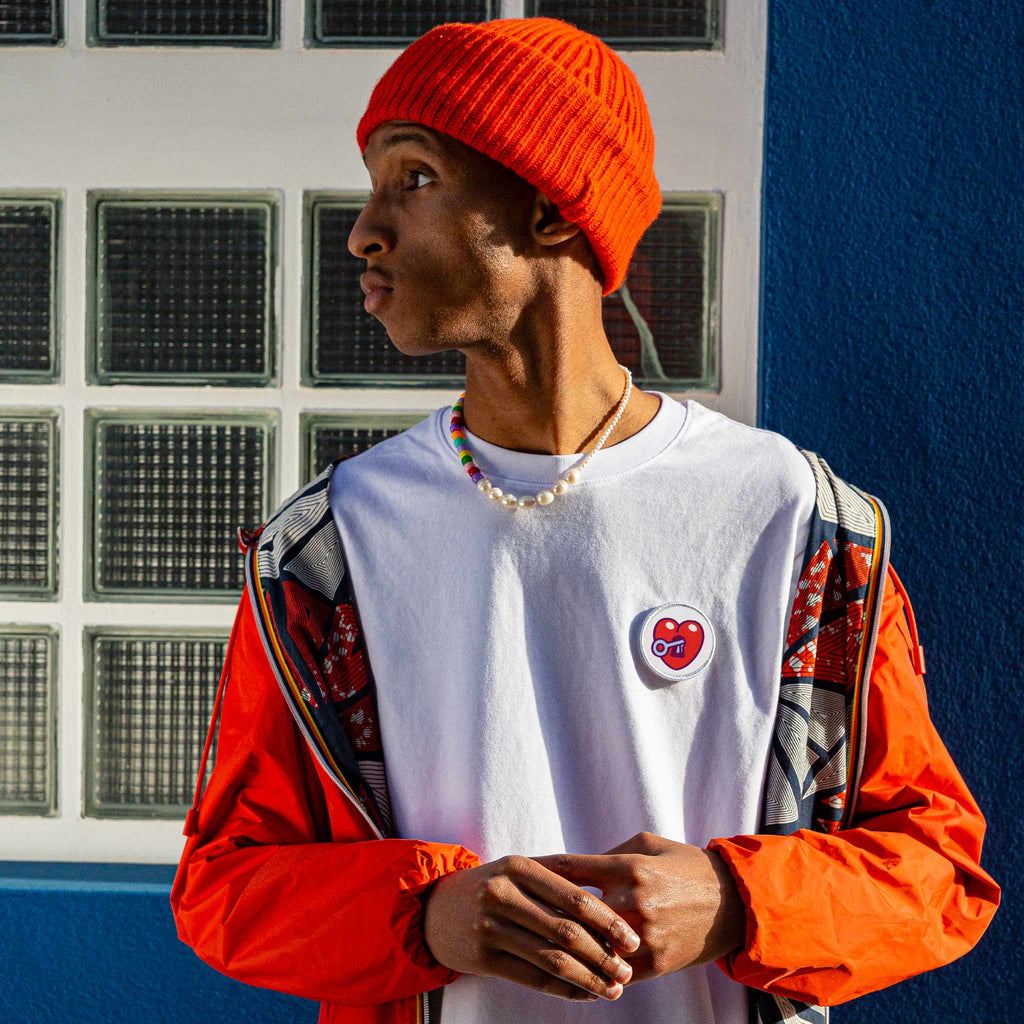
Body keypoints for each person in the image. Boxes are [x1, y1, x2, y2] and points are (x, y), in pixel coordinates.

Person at [170, 16, 1000, 1024]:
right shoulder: (323, 550)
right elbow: (224, 888)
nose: (363, 231)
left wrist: (739, 900)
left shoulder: (798, 521)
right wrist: (423, 914)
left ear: (553, 210)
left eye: (415, 178)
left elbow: (934, 868)